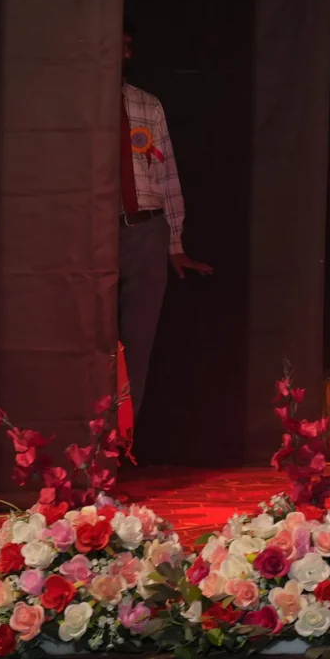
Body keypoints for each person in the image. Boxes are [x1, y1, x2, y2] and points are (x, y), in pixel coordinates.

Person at [119, 28, 211, 424]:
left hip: (146, 231)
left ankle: (120, 444)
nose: (124, 52)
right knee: (93, 345)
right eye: (117, 44)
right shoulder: (77, 106)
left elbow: (166, 174)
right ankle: (87, 446)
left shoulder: (146, 103)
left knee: (137, 345)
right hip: (96, 233)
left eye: (128, 45)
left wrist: (174, 243)